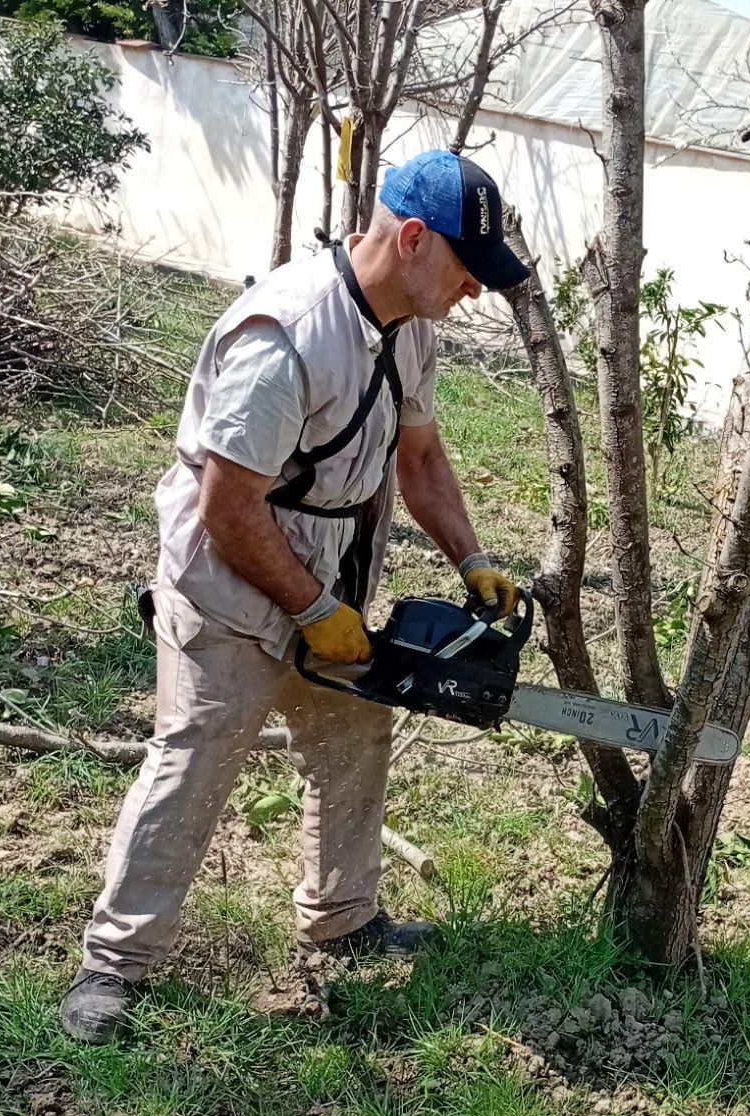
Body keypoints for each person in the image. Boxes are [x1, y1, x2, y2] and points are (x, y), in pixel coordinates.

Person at [59, 150, 529, 1045]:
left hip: (331, 568)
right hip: (229, 580)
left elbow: (421, 456)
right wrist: (312, 610)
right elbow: (228, 506)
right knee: (196, 756)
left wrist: (472, 558)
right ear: (415, 239)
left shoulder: (410, 328)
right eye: (467, 267)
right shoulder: (286, 335)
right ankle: (115, 963)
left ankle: (342, 918)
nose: (474, 288)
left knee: (353, 732)